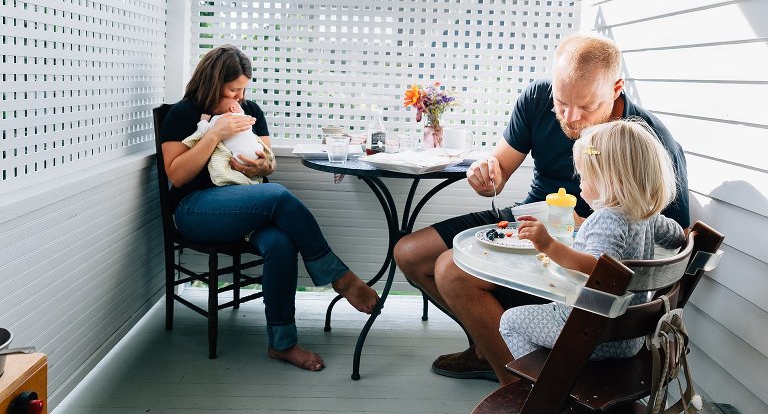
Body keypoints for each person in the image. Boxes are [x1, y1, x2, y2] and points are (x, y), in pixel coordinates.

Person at [393, 33, 690, 384]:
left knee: (451, 271)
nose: (572, 117)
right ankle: (488, 350)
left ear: (616, 88)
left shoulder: (645, 141)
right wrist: (487, 174)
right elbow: (500, 167)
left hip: (580, 251)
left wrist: (585, 225)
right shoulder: (537, 97)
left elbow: (671, 234)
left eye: (587, 107)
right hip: (530, 215)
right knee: (410, 253)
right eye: (562, 103)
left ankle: (521, 391)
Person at [159, 44, 379, 372]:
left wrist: (258, 167)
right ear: (212, 82)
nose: (240, 95)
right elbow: (176, 175)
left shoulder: (250, 111)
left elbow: (269, 164)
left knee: (280, 242)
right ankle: (339, 276)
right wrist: (215, 134)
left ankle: (282, 343)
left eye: (244, 88)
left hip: (246, 203)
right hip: (195, 210)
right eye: (234, 88)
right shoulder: (184, 114)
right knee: (277, 195)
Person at [501, 119, 685, 360]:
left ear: (613, 181)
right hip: (629, 334)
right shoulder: (645, 214)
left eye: (585, 178)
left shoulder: (608, 219)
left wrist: (548, 245)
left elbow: (599, 269)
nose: (581, 185)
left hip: (596, 332)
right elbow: (677, 236)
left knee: (510, 322)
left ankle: (552, 385)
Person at [183, 96, 274, 186]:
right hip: (256, 152)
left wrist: (203, 120)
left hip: (240, 158)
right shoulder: (245, 117)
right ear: (233, 108)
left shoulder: (217, 120)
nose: (241, 96)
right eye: (234, 89)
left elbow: (203, 129)